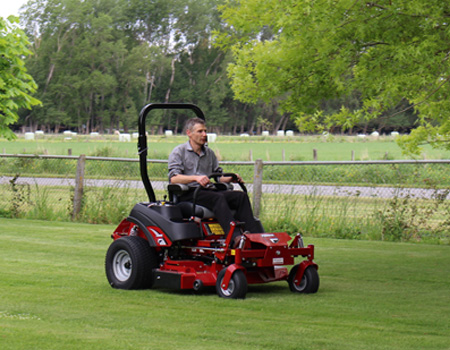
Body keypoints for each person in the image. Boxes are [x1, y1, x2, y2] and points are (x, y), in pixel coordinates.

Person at [168, 117, 263, 234]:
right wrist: (195, 178)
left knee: (240, 196)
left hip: (208, 191)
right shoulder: (179, 152)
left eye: (205, 131)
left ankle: (253, 236)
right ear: (189, 133)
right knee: (218, 198)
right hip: (189, 193)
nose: (204, 134)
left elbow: (218, 176)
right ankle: (235, 237)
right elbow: (174, 178)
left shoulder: (209, 153)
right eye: (200, 131)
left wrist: (231, 178)